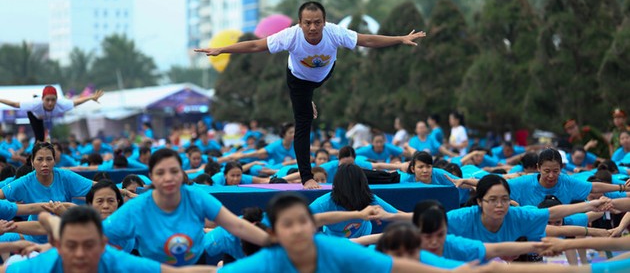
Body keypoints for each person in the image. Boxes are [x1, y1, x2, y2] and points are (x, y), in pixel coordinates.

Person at [194, 1, 426, 189]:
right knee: (303, 125)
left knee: (317, 94)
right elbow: (256, 46)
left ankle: (309, 101)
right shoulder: (290, 36)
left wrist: (400, 39)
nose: (313, 28)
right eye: (308, 23)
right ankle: (307, 177)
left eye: (317, 23)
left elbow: (367, 40)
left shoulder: (335, 33)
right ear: (300, 23)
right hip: (298, 81)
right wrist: (222, 49)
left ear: (325, 22)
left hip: (325, 74)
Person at [217, 192, 473, 273]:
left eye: (302, 222)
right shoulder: (263, 264)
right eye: (287, 224)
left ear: (312, 225)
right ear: (274, 233)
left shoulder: (333, 249)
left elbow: (392, 264)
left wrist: (448, 270)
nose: (296, 230)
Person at [102, 148, 270, 266]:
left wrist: (274, 243)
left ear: (181, 173)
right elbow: (99, 235)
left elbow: (237, 225)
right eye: (160, 173)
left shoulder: (196, 196)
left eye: (174, 171)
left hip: (196, 265)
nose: (168, 178)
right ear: (151, 177)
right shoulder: (137, 208)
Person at [2, 206, 213, 273]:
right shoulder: (32, 268)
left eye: (89, 245)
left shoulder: (118, 262)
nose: (80, 254)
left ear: (103, 244)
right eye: (71, 246)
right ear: (57, 245)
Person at [446, 174, 611, 244]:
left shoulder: (517, 215)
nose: (499, 205)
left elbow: (552, 214)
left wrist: (590, 205)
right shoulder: (460, 218)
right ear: (480, 202)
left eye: (505, 199)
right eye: (493, 200)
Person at [413, 200, 544, 263]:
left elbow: (496, 250)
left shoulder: (456, 244)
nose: (435, 242)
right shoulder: (400, 252)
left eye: (441, 235)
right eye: (428, 236)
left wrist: (542, 247)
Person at [308, 164, 409, 238]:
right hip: (335, 242)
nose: (351, 191)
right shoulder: (323, 203)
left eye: (354, 187)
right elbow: (302, 219)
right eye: (347, 187)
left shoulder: (367, 197)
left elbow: (397, 214)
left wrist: (417, 222)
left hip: (363, 238)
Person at [0, 86, 104, 142]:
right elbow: (14, 104)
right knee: (39, 138)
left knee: (48, 136)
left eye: (53, 100)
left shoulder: (62, 103)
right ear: (42, 99)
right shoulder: (35, 104)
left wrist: (91, 98)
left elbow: (77, 101)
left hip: (46, 116)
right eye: (47, 100)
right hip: (35, 115)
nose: (50, 103)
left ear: (56, 99)